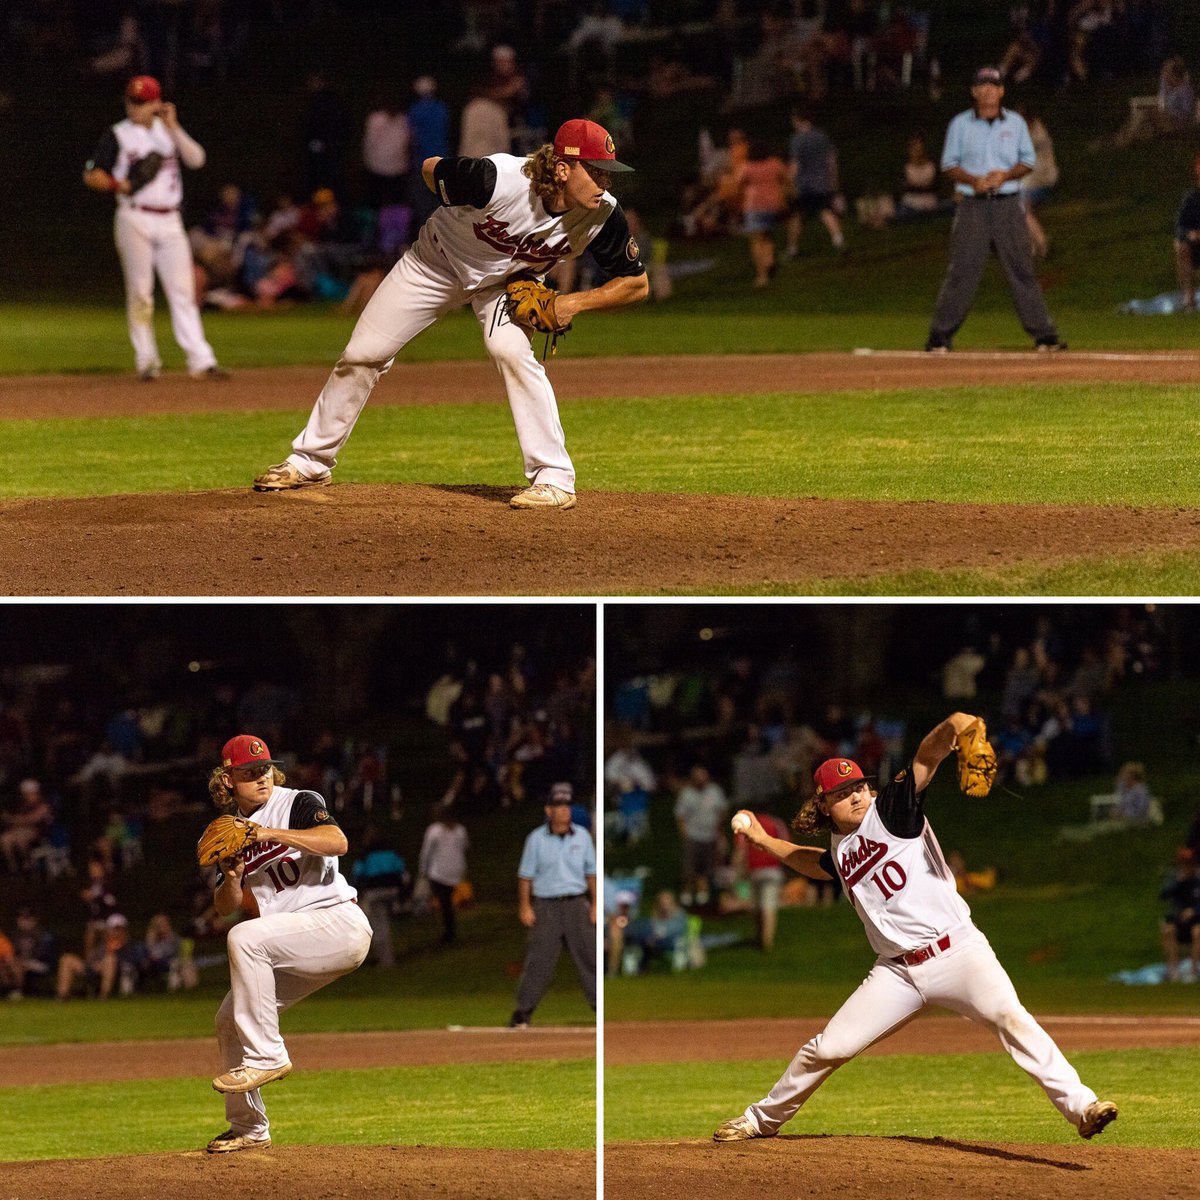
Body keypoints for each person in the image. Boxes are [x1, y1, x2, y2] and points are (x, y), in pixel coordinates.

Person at [713, 713, 1118, 1144]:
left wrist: (959, 726)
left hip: (959, 952)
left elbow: (928, 755)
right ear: (823, 803)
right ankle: (760, 1120)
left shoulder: (890, 810)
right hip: (896, 972)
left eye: (861, 786)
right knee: (829, 1048)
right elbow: (816, 864)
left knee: (1010, 1017)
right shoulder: (841, 847)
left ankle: (1083, 1107)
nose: (857, 795)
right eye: (843, 792)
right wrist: (764, 841)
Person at [251, 118, 648, 511]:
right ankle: (310, 461)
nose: (605, 183)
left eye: (608, 174)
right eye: (596, 172)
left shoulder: (602, 215)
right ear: (563, 169)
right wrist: (449, 201)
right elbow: (430, 168)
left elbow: (636, 283)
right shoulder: (497, 179)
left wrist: (570, 302)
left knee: (511, 353)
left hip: (506, 284)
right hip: (434, 264)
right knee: (362, 355)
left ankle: (555, 479)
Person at [203, 734, 372, 1153]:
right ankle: (248, 1128)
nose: (260, 778)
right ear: (228, 781)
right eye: (248, 772)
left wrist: (266, 832)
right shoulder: (230, 831)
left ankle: (267, 1058)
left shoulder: (296, 802)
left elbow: (338, 842)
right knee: (228, 1019)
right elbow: (224, 907)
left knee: (244, 937)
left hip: (337, 923)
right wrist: (233, 877)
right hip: (293, 941)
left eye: (264, 769)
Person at [83, 75, 229, 382]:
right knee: (141, 292)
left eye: (144, 102)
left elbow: (197, 159)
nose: (137, 108)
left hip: (170, 219)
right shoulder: (118, 135)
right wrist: (119, 184)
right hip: (134, 217)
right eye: (133, 102)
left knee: (184, 292)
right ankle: (147, 360)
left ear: (157, 102)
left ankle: (201, 360)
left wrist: (174, 126)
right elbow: (91, 174)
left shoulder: (168, 133)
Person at [925, 67, 1065, 354]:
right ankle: (940, 337)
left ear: (1001, 91)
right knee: (963, 270)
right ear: (974, 91)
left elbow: (1027, 161)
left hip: (1007, 203)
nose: (988, 90)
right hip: (973, 206)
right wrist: (972, 180)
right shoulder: (960, 124)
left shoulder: (1014, 123)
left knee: (1022, 269)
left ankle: (1044, 335)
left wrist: (1006, 175)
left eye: (994, 86)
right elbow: (949, 164)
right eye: (983, 86)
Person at [508, 786, 596, 1028]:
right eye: (559, 806)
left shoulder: (582, 837)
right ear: (549, 810)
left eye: (567, 806)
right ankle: (522, 1013)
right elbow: (525, 876)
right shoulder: (535, 839)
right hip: (546, 905)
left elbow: (591, 873)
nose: (564, 811)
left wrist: (596, 903)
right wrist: (525, 906)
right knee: (540, 960)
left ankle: (600, 1008)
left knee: (590, 956)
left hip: (576, 903)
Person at [785, 110, 845, 258]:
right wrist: (834, 183)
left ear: (798, 120)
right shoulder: (822, 136)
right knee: (826, 211)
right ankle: (838, 240)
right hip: (822, 183)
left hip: (804, 185)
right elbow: (831, 161)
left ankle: (792, 249)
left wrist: (788, 183)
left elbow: (795, 165)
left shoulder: (797, 140)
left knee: (797, 216)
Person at [730, 810, 790, 950]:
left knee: (757, 906)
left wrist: (736, 872)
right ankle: (765, 942)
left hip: (754, 871)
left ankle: (762, 941)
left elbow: (740, 851)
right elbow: (785, 845)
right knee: (767, 907)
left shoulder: (746, 824)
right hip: (773, 870)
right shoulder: (777, 823)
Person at [738, 141, 791, 288]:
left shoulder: (747, 166)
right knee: (768, 235)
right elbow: (787, 180)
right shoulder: (775, 163)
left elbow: (738, 183)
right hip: (773, 204)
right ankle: (770, 261)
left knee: (756, 240)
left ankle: (762, 276)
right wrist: (784, 196)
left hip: (754, 205)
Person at [674, 764, 728, 907]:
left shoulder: (714, 791)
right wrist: (685, 834)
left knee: (706, 868)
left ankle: (702, 896)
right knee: (689, 868)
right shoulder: (687, 794)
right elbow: (680, 816)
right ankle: (686, 895)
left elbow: (722, 810)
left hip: (710, 836)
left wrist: (719, 830)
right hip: (693, 835)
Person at [417, 803, 470, 944]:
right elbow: (465, 847)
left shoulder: (434, 831)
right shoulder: (460, 830)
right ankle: (449, 930)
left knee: (444, 903)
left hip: (439, 873)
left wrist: (423, 871)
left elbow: (426, 852)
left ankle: (448, 933)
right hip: (455, 871)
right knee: (447, 903)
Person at [1019, 109, 1058, 259]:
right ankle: (1033, 246)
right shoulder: (1035, 131)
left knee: (1022, 209)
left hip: (1041, 180)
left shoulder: (1036, 136)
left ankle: (1042, 243)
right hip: (1037, 179)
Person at [1160, 847, 1200, 983]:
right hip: (1178, 920)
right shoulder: (1175, 877)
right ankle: (1174, 971)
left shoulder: (1198, 879)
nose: (1186, 866)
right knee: (1167, 930)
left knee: (1198, 932)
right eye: (1183, 863)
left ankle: (1192, 972)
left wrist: (1194, 911)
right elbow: (1163, 895)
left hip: (1195, 921)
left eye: (1188, 863)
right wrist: (1178, 882)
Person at [1173, 153, 1200, 311]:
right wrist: (1190, 235)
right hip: (1195, 246)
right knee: (1180, 246)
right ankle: (1188, 298)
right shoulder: (1191, 198)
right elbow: (1179, 227)